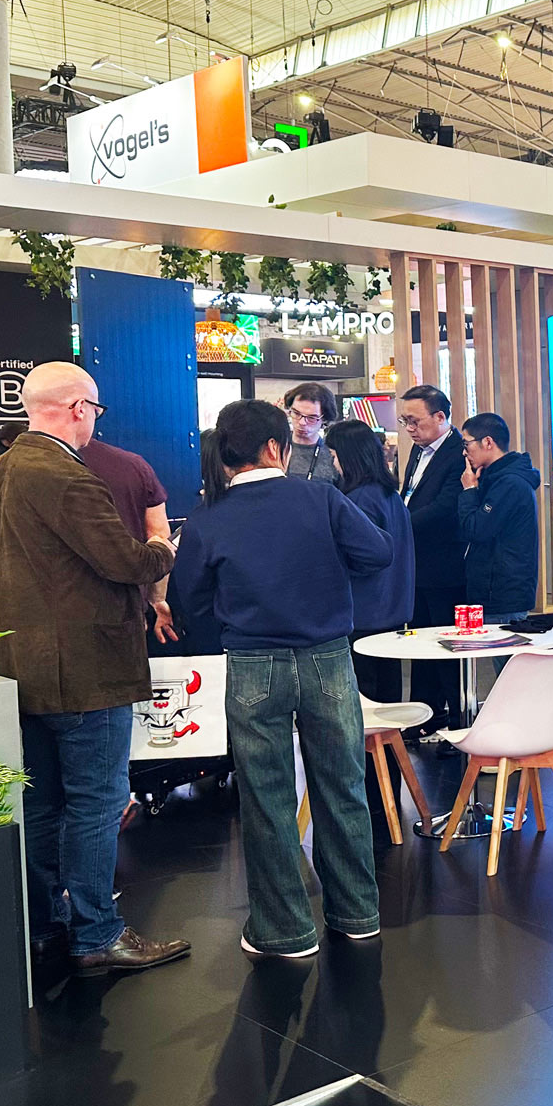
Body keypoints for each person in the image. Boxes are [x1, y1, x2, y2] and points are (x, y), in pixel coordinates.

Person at [0, 362, 185, 977]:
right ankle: (98, 934)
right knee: (96, 803)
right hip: (85, 671)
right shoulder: (67, 475)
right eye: (95, 410)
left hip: (18, 667)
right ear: (78, 408)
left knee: (40, 804)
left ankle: (45, 924)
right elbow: (127, 563)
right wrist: (164, 546)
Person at [170, 400, 392, 959]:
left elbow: (188, 600)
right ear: (276, 447)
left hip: (252, 664)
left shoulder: (207, 517)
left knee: (266, 798)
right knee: (342, 787)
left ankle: (284, 931)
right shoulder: (321, 498)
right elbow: (377, 552)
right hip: (328, 657)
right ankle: (357, 914)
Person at [327, 418, 415, 703]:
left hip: (365, 609)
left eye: (334, 456)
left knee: (366, 699)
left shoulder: (359, 499)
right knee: (389, 693)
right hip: (392, 607)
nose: (333, 464)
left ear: (349, 456)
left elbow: (360, 556)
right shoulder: (388, 494)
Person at [399, 385, 466, 729]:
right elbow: (409, 496)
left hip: (445, 566)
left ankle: (458, 721)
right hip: (416, 564)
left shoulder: (458, 452)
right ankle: (425, 715)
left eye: (415, 421)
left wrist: (398, 524)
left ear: (440, 417)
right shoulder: (418, 449)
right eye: (405, 421)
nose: (409, 429)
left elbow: (446, 507)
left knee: (445, 648)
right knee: (420, 643)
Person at [81, 434, 177, 644]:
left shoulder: (12, 469)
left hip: (45, 622)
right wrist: (158, 599)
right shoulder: (133, 466)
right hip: (123, 613)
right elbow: (159, 539)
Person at [456, 412, 540, 621]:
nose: (464, 452)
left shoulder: (509, 483)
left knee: (502, 645)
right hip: (492, 591)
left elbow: (475, 530)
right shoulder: (494, 478)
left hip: (502, 596)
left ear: (487, 442)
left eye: (466, 444)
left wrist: (469, 491)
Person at [281, 382, 341, 486]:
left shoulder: (334, 455)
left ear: (324, 419)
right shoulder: (275, 448)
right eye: (296, 413)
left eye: (311, 418)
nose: (302, 422)